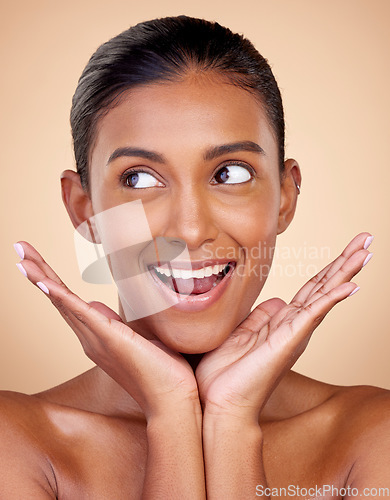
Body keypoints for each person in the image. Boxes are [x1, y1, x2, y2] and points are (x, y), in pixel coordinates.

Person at [1, 15, 389, 499]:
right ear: (85, 210)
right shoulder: (15, 443)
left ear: (286, 197)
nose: (189, 229)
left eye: (229, 174)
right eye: (139, 179)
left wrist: (231, 422)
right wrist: (169, 413)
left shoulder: (372, 438)